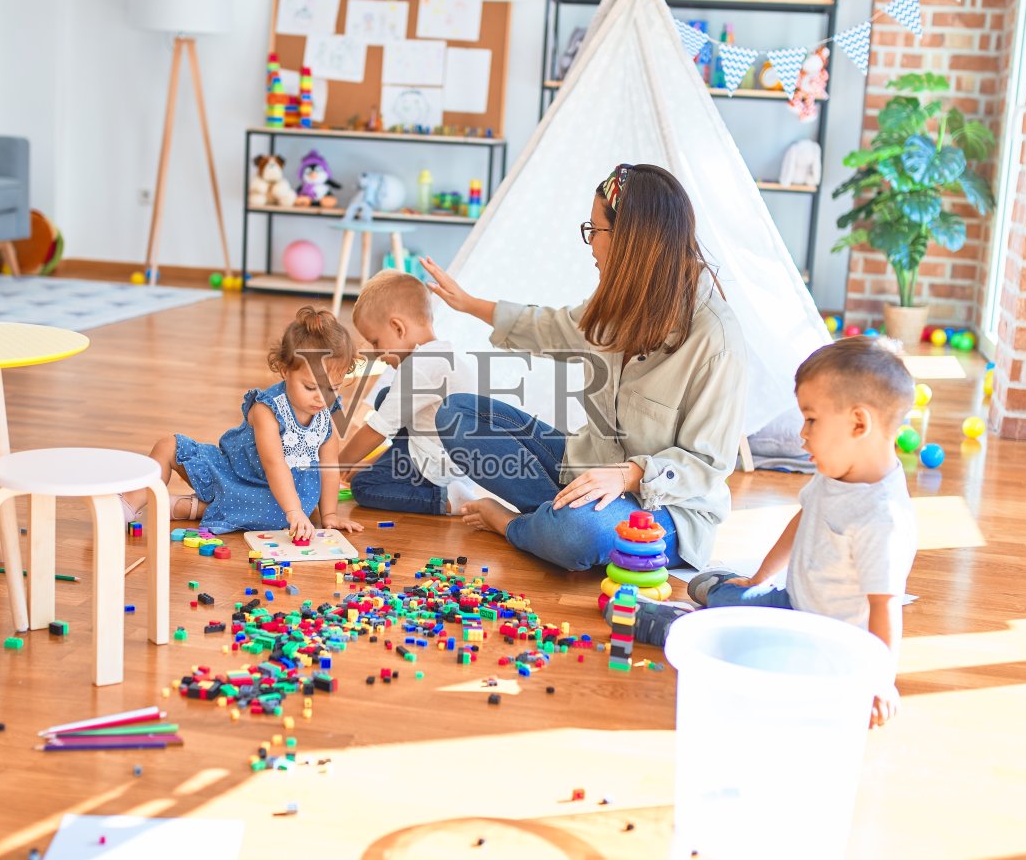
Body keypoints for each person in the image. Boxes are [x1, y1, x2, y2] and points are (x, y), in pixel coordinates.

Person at [418, 162, 748, 572]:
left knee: (579, 533)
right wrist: (470, 304)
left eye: (596, 231)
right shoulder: (620, 303)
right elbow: (554, 329)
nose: (591, 243)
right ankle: (556, 521)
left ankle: (516, 525)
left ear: (629, 239)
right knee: (457, 416)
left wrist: (628, 475)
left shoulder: (716, 339)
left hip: (667, 510)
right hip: (586, 470)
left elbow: (707, 465)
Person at [619, 336, 917, 728]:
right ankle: (727, 589)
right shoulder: (836, 474)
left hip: (822, 643)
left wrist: (880, 682)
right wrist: (761, 576)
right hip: (792, 601)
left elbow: (885, 607)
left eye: (811, 419)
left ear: (859, 422)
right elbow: (804, 519)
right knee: (734, 597)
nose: (802, 434)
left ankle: (671, 623)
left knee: (737, 650)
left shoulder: (883, 518)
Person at [121, 306, 362, 540]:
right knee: (168, 445)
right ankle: (132, 502)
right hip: (233, 472)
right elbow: (274, 465)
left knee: (281, 513)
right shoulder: (266, 410)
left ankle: (190, 507)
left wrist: (329, 515)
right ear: (285, 370)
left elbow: (330, 466)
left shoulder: (328, 412)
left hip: (277, 497)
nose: (322, 397)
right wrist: (296, 512)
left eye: (333, 388)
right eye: (310, 387)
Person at [340, 270, 478, 515]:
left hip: (440, 468)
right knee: (385, 398)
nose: (375, 352)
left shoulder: (419, 367)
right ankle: (444, 487)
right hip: (444, 453)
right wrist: (367, 462)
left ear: (398, 328)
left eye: (375, 342)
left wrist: (335, 466)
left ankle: (448, 500)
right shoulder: (438, 355)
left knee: (365, 486)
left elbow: (378, 430)